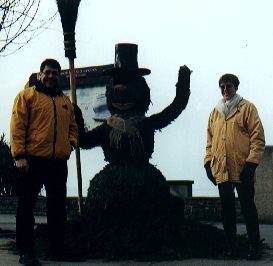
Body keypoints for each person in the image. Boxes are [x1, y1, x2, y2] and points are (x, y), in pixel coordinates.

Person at [10, 59, 78, 265]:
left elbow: (73, 127)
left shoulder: (65, 102)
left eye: (55, 73)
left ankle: (57, 250)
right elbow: (17, 126)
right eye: (47, 72)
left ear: (59, 76)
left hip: (57, 163)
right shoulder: (26, 97)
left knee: (58, 209)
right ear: (40, 74)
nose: (50, 76)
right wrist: (19, 156)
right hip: (31, 161)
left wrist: (71, 144)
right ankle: (26, 252)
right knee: (26, 208)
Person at [204, 73, 265, 260]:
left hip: (243, 168)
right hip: (221, 169)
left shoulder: (247, 108)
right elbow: (210, 140)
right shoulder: (215, 112)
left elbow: (257, 138)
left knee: (248, 209)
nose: (225, 90)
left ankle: (255, 248)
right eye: (222, 86)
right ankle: (232, 248)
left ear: (235, 87)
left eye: (228, 86)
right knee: (227, 210)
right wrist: (208, 163)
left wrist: (251, 163)